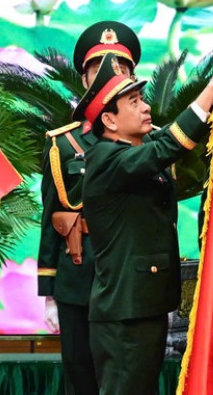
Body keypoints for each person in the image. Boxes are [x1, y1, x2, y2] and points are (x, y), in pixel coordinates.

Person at [77, 50, 213, 394]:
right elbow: (168, 145)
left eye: (142, 99)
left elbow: (163, 139)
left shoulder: (131, 149)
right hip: (125, 313)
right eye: (134, 102)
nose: (146, 107)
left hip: (142, 305)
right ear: (109, 121)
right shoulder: (107, 160)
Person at [37, 21, 141, 395]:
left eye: (120, 68)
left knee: (129, 378)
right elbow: (51, 218)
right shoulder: (62, 145)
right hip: (78, 277)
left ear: (133, 78)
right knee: (80, 376)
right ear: (84, 80)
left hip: (130, 279)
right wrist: (49, 292)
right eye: (98, 69)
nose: (109, 75)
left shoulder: (150, 141)